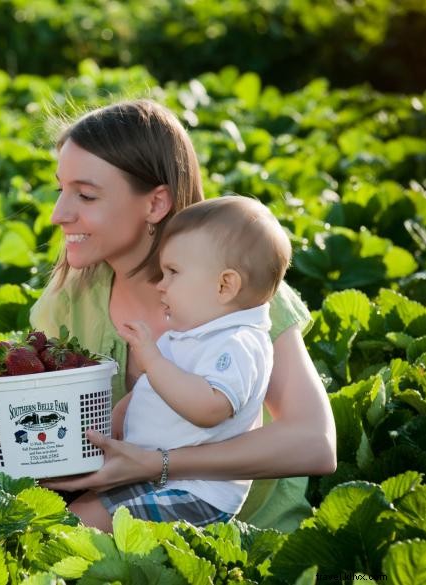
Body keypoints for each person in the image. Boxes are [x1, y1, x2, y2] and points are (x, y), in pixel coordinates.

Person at [32, 99, 336, 532]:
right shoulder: (63, 305)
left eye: (85, 194)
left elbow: (314, 443)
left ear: (156, 204)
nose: (58, 213)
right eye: (60, 189)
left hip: (254, 541)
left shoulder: (241, 292)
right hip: (120, 528)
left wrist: (157, 465)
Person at [70, 195, 292, 531]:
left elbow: (209, 407)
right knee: (74, 516)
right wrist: (118, 420)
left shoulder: (237, 342)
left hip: (196, 491)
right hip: (159, 478)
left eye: (173, 272)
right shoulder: (191, 334)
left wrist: (153, 360)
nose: (161, 285)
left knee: (89, 527)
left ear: (225, 285)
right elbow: (151, 392)